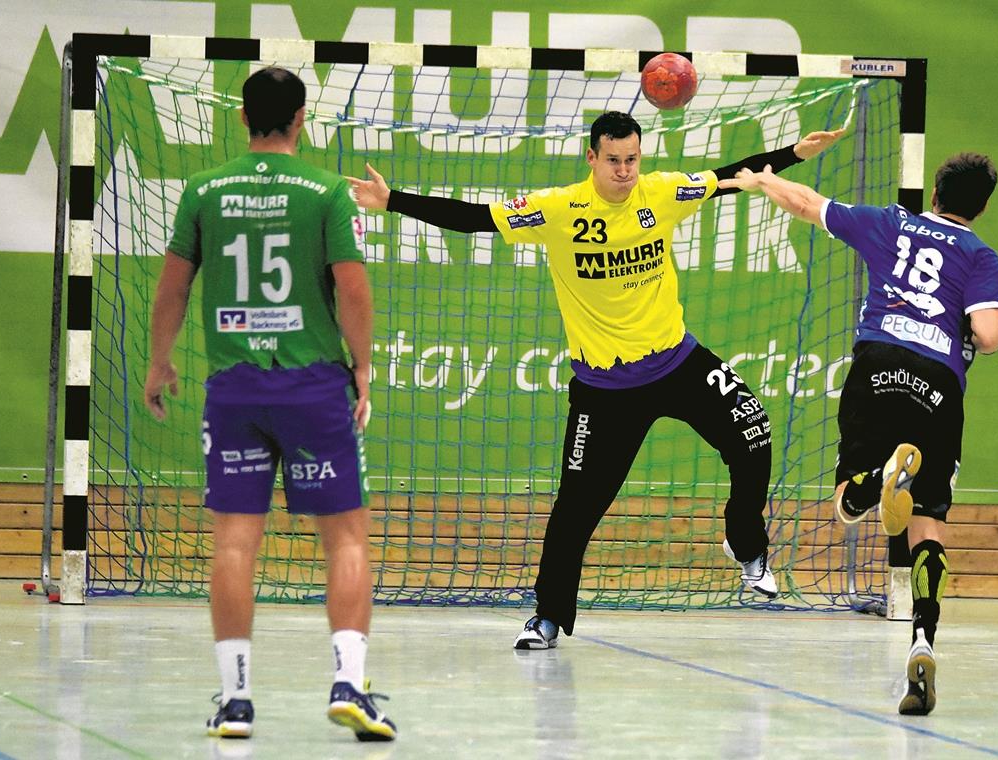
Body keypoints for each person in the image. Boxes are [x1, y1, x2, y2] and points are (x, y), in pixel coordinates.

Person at [349, 111, 845, 650]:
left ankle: (744, 544)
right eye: (613, 161)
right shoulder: (558, 209)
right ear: (592, 158)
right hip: (605, 390)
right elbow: (475, 219)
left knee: (754, 436)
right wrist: (392, 199)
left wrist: (794, 153)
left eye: (632, 159)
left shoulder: (662, 192)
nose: (625, 171)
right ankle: (547, 617)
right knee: (576, 509)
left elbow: (730, 176)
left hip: (678, 362)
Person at [143, 67, 396, 742]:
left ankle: (236, 701)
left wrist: (159, 361)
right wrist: (363, 367)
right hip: (312, 388)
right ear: (301, 118)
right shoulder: (324, 191)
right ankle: (349, 684)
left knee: (234, 542)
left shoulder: (204, 191)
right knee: (344, 535)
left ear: (243, 117)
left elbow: (172, 289)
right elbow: (354, 290)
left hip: (235, 389)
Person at [717, 153, 998, 715]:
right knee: (928, 525)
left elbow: (809, 204)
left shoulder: (892, 222)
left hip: (878, 362)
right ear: (982, 206)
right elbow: (988, 334)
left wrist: (763, 178)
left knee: (848, 505)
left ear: (937, 192)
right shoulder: (980, 255)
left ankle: (875, 478)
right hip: (939, 380)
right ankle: (922, 640)